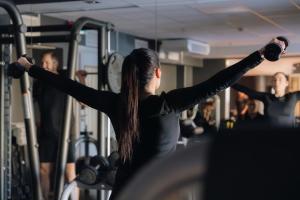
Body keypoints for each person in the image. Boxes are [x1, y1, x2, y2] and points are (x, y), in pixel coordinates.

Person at [17, 38, 283, 199]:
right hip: (160, 192)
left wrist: (30, 67)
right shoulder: (168, 104)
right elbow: (217, 83)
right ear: (157, 73)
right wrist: (260, 55)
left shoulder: (116, 103)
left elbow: (70, 87)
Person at [32, 51, 79, 200]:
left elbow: (82, 96)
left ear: (55, 64)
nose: (43, 65)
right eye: (42, 62)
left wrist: (81, 79)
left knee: (69, 172)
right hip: (46, 134)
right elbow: (34, 104)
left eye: (46, 62)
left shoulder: (64, 77)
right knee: (43, 170)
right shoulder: (39, 82)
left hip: (65, 134)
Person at [232, 71, 300, 128]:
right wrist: (229, 82)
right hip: (269, 136)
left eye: (280, 79)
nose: (277, 82)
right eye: (274, 80)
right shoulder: (267, 97)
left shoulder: (293, 97)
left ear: (286, 83)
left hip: (289, 137)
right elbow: (248, 91)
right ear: (272, 84)